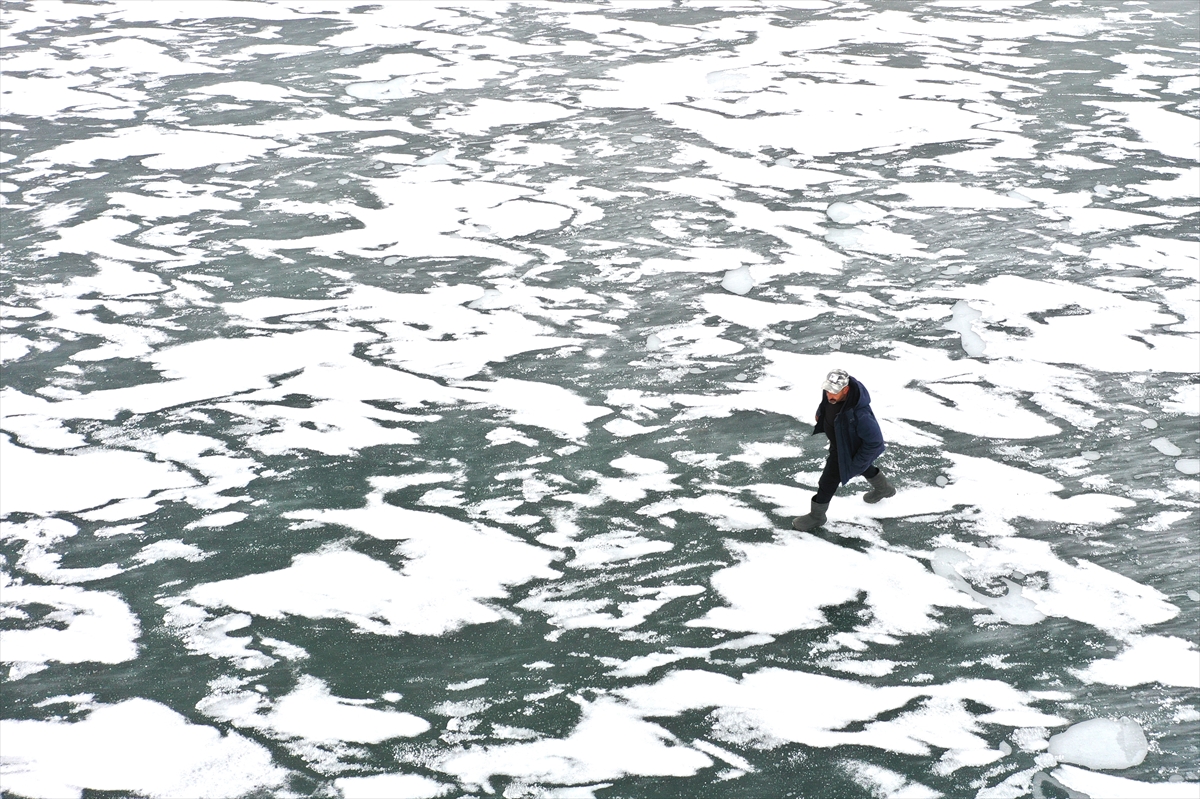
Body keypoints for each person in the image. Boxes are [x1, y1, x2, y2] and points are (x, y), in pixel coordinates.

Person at [793, 368, 896, 531]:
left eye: (834, 392)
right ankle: (884, 488)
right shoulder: (832, 396)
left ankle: (817, 516)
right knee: (864, 468)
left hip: (847, 449)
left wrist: (855, 465)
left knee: (827, 482)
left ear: (846, 390)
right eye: (827, 391)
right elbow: (826, 402)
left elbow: (876, 443)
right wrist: (820, 413)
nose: (829, 396)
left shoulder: (860, 415)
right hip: (839, 443)